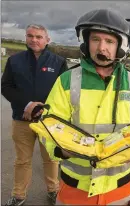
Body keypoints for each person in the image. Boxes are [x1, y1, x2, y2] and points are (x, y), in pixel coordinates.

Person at [37, 9, 130, 205]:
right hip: (75, 190)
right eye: (95, 39)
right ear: (86, 43)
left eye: (109, 41)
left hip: (120, 190)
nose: (102, 48)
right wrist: (61, 150)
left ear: (121, 46)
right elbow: (47, 129)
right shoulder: (66, 82)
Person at [1, 24, 68, 206]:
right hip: (22, 120)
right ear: (26, 38)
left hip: (49, 122)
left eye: (39, 37)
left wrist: (44, 109)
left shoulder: (58, 62)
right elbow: (5, 87)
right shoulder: (14, 60)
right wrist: (28, 104)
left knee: (51, 160)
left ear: (47, 40)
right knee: (22, 160)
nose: (34, 40)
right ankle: (19, 195)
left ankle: (54, 191)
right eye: (30, 36)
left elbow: (65, 92)